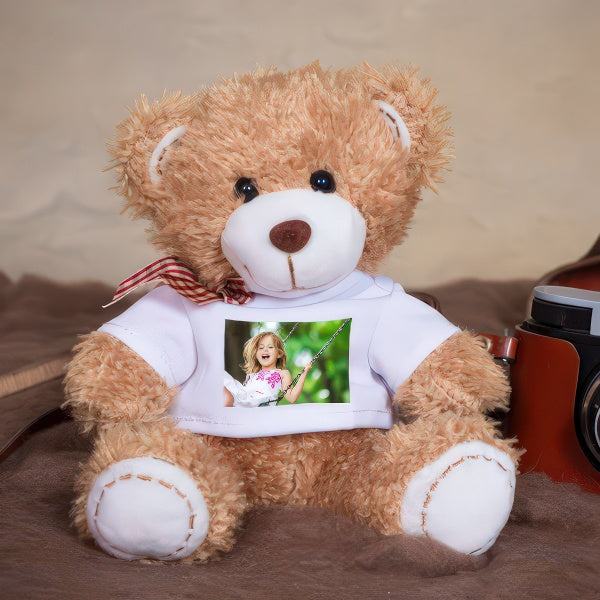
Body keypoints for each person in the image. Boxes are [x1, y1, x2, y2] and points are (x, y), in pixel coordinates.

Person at [224, 331, 312, 407]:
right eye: (261, 348)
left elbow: (292, 398)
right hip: (243, 397)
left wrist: (304, 373)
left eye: (270, 347)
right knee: (221, 376)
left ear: (279, 354)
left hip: (259, 402)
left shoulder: (282, 373)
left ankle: (228, 404)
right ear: (256, 354)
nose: (265, 350)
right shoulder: (253, 374)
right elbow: (245, 390)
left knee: (227, 392)